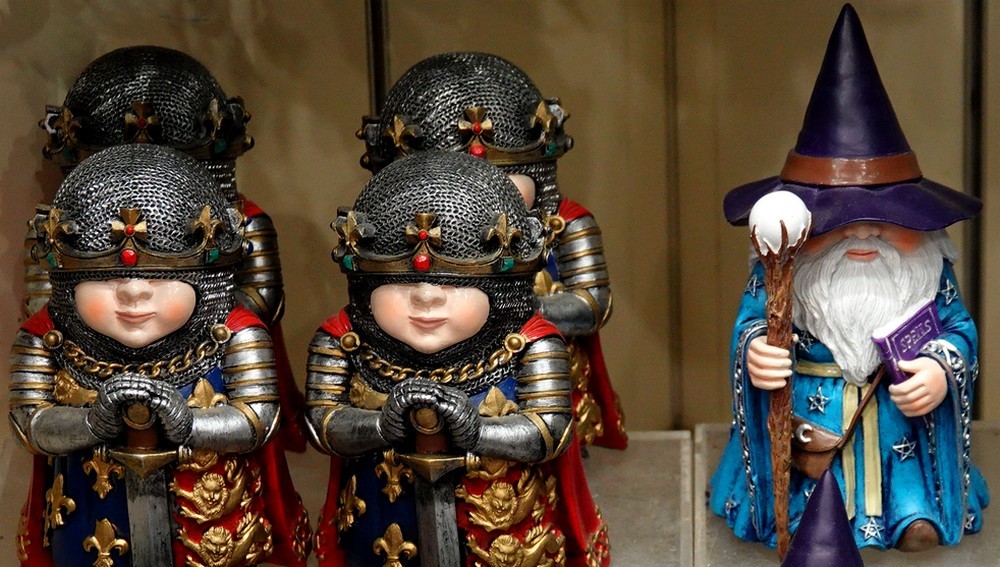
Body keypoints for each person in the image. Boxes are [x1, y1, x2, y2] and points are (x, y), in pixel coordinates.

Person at [710, 4, 988, 552]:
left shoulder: (930, 270)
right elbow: (751, 323)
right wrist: (754, 352)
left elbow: (957, 329)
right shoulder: (781, 269)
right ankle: (800, 511)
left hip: (900, 430)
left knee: (912, 502)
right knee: (806, 498)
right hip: (808, 425)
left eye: (885, 220)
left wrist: (941, 369)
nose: (863, 233)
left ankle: (910, 512)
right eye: (837, 222)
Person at [11, 144, 310, 566]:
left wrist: (188, 422)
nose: (134, 292)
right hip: (88, 518)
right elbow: (28, 423)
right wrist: (92, 422)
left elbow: (257, 420)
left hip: (211, 531)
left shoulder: (235, 333)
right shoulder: (47, 337)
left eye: (160, 276)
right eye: (107, 278)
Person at [305, 151, 609, 566]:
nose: (426, 298)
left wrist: (478, 430)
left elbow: (550, 430)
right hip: (380, 521)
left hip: (503, 529)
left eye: (454, 283)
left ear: (502, 286)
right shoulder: (343, 340)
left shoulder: (531, 342)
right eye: (400, 283)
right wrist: (379, 425)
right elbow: (321, 423)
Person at [32, 45, 307, 451]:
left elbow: (261, 295)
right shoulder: (62, 230)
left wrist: (194, 321)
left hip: (203, 349)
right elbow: (43, 301)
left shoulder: (239, 223)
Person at [357, 52, 626, 449]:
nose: (479, 190)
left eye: (500, 174)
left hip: (528, 377)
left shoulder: (566, 223)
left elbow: (593, 303)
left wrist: (514, 310)